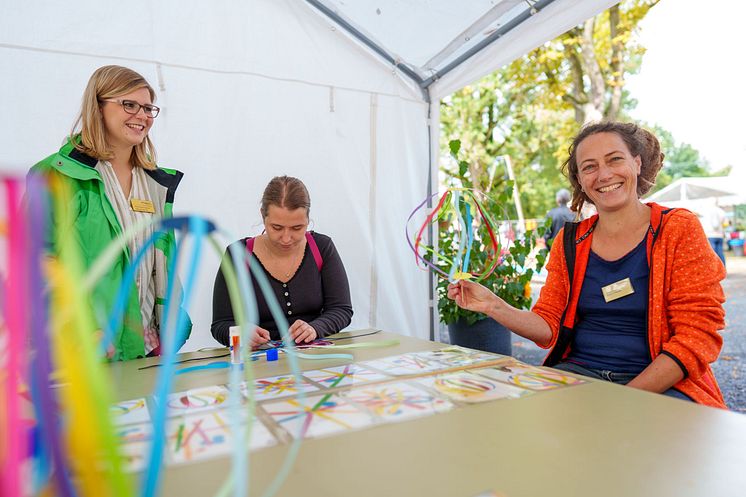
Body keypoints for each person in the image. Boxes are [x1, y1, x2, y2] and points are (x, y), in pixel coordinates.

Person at [448, 122, 727, 408]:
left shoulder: (678, 228)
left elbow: (697, 335)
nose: (604, 174)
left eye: (615, 159)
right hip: (579, 373)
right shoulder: (570, 241)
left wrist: (621, 399)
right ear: (580, 180)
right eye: (589, 166)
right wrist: (493, 306)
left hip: (659, 384)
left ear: (637, 162)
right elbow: (548, 326)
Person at [28, 65, 191, 361]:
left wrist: (172, 326)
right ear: (98, 106)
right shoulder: (55, 176)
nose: (141, 116)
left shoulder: (155, 183)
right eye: (129, 104)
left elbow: (161, 263)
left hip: (147, 349)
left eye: (148, 108)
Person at [211, 176, 353, 348]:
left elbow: (341, 309)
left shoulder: (322, 247)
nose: (286, 238)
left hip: (315, 360)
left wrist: (315, 328)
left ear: (308, 219)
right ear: (263, 217)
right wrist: (240, 332)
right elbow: (220, 324)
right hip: (259, 366)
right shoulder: (237, 256)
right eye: (277, 228)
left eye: (297, 228)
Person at [697, 200, 727, 266]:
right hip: (720, 235)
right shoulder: (721, 211)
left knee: (712, 254)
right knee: (720, 253)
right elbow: (725, 223)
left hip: (710, 235)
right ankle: (723, 269)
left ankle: (715, 271)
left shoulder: (707, 211)